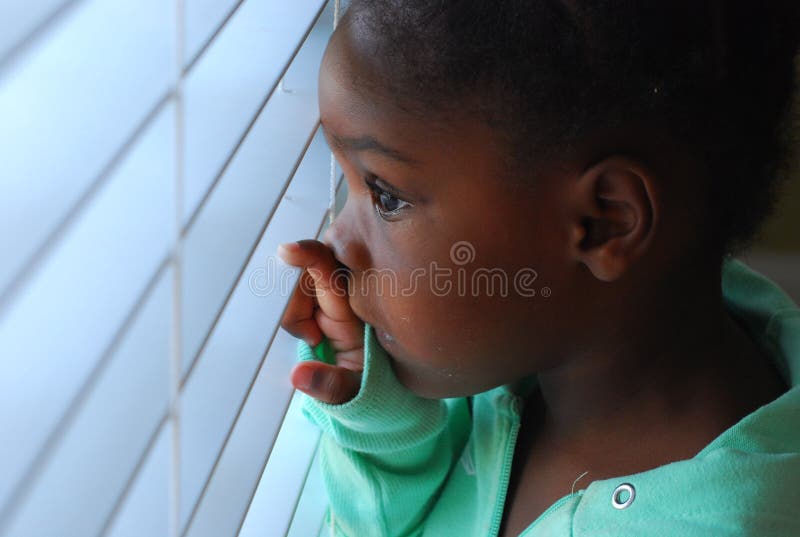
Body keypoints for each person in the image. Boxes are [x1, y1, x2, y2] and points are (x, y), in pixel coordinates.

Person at [277, 1, 800, 535]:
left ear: (603, 222)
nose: (335, 241)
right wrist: (386, 425)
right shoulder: (514, 352)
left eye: (385, 196)